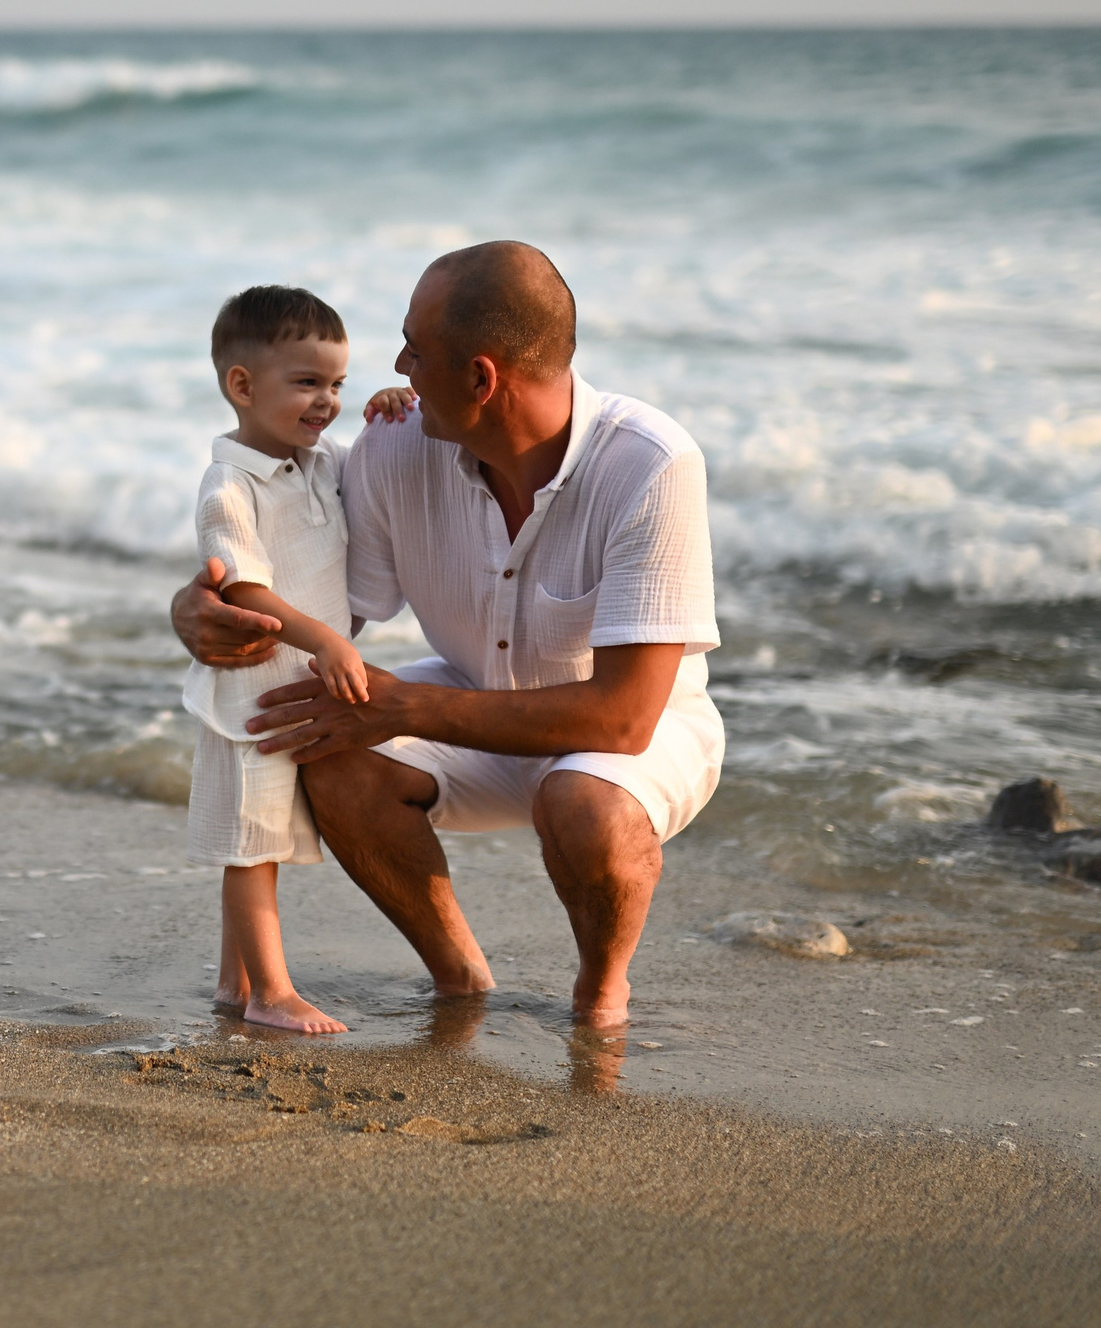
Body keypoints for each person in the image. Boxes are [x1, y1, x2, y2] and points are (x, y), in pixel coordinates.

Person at [172, 242, 721, 1031]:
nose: (397, 366)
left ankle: (601, 993)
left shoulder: (649, 464)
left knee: (585, 804)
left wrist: (406, 709)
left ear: (481, 378)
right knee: (322, 734)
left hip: (632, 738)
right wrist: (202, 614)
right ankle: (459, 978)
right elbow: (317, 597)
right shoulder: (395, 447)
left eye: (416, 349)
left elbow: (622, 718)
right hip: (470, 697)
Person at [180, 284, 415, 1035]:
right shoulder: (229, 485)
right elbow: (246, 587)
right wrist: (325, 638)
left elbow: (374, 470)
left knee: (259, 846)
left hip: (289, 690)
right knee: (252, 850)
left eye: (339, 385)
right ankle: (271, 994)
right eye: (308, 383)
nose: (327, 403)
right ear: (241, 386)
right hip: (252, 694)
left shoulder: (320, 463)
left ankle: (233, 981)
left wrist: (387, 409)